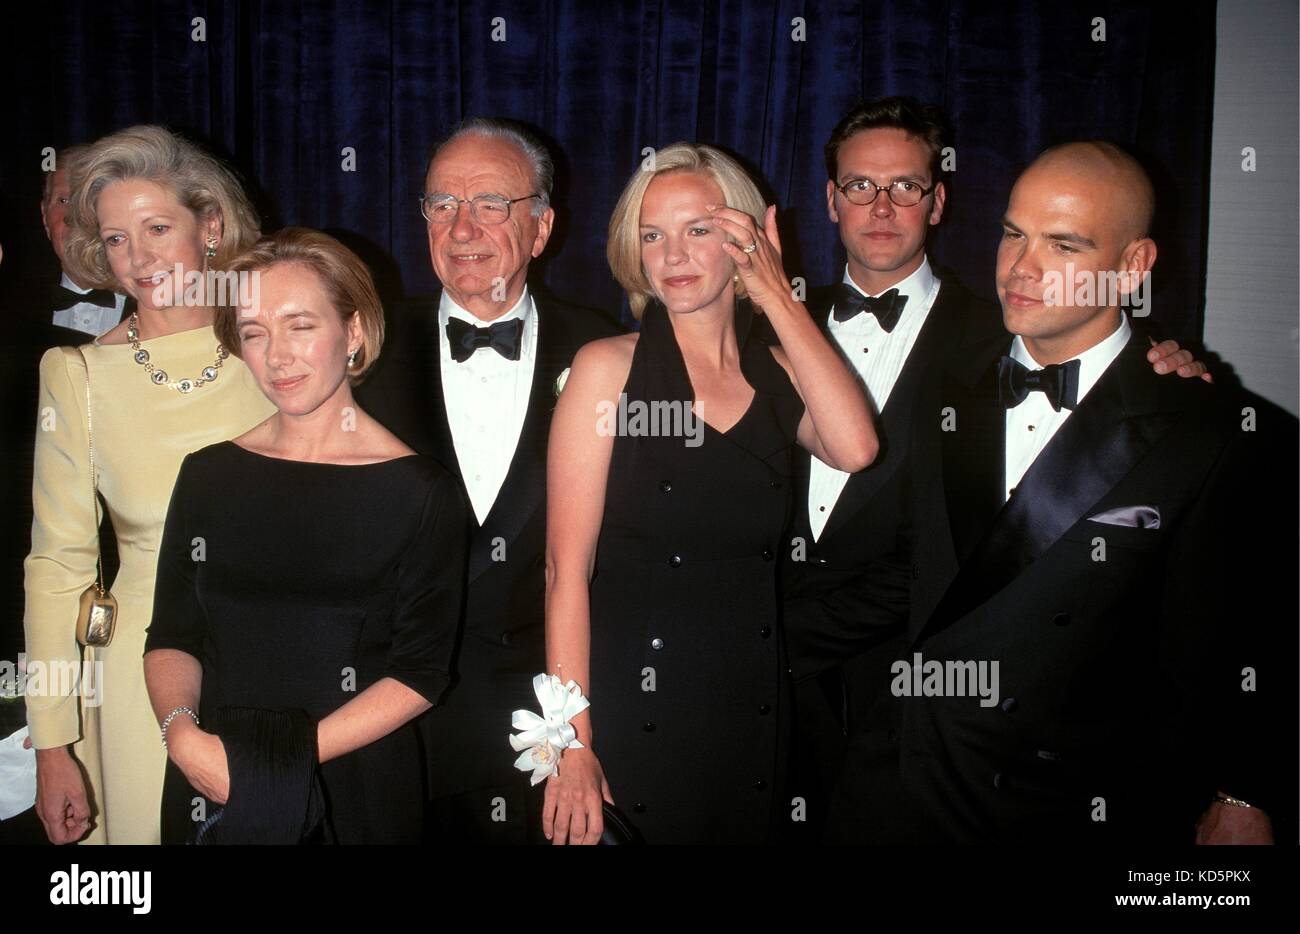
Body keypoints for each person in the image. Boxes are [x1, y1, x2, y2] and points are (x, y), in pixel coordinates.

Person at [777, 98, 1212, 842]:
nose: (881, 207)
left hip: (943, 717)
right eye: (859, 186)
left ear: (939, 198)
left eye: (906, 186)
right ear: (829, 198)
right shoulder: (766, 322)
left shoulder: (1004, 335)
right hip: (772, 697)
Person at [876, 141, 1296, 842]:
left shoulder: (1220, 434)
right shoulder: (942, 385)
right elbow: (894, 577)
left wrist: (1245, 793)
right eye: (1013, 232)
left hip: (1085, 809)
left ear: (1132, 267)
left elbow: (1257, 633)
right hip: (905, 791)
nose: (1021, 268)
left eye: (1063, 245)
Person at [542, 142, 878, 844]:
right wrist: (571, 743)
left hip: (752, 703)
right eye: (653, 235)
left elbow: (856, 447)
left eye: (698, 230)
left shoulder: (781, 370)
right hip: (634, 705)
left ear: (745, 237)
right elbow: (564, 573)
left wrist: (777, 295)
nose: (673, 255)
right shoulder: (605, 369)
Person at [143, 228, 467, 844]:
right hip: (212, 777)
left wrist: (277, 762)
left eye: (300, 326)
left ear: (355, 333)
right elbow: (173, 633)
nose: (277, 357)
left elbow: (420, 676)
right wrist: (181, 735)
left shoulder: (419, 491)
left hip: (353, 789)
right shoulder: (207, 474)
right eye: (255, 332)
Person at [356, 118, 621, 843]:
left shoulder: (606, 350)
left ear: (541, 228)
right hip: (388, 722)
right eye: (441, 204)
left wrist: (576, 735)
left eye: (491, 204)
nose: (462, 226)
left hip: (540, 724)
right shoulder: (362, 349)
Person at [23, 125, 274, 845]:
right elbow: (57, 570)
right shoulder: (77, 376)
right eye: (115, 239)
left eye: (157, 227)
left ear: (212, 226)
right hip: (135, 675)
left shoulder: (280, 347)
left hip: (284, 655)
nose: (138, 258)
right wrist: (51, 743)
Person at [41, 146, 129, 337]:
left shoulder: (165, 307)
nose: (76, 216)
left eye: (90, 199)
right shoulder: (10, 314)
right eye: (64, 201)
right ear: (44, 216)